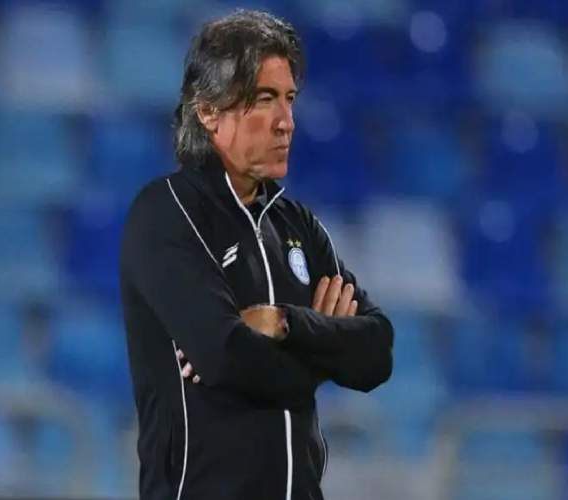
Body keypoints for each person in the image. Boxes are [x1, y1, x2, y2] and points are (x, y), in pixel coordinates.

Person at [120, 10, 394, 500]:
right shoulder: (165, 214)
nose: (286, 122)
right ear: (209, 111)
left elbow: (376, 354)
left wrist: (286, 324)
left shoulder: (296, 224)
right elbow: (229, 359)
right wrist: (325, 356)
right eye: (264, 99)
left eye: (289, 99)